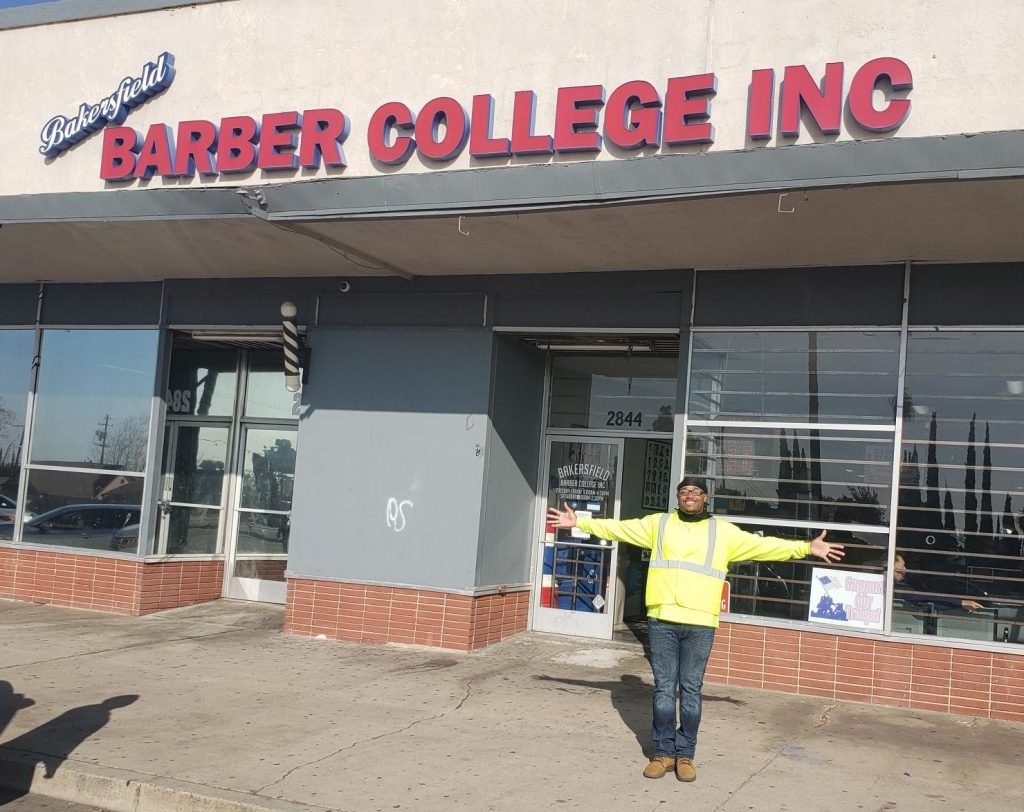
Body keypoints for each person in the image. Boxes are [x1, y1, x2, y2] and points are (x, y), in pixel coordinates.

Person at [546, 476, 845, 783]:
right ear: (678, 497)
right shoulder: (659, 524)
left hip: (701, 623)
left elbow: (763, 546)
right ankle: (662, 753)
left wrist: (806, 547)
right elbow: (619, 527)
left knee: (690, 691)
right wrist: (581, 522)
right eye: (684, 491)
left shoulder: (722, 532)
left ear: (705, 498)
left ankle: (685, 754)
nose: (689, 495)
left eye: (695, 492)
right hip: (662, 620)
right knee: (664, 690)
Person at [893, 554, 984, 611]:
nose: (905, 569)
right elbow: (928, 598)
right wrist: (961, 603)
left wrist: (959, 605)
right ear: (894, 568)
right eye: (903, 566)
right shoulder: (896, 589)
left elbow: (933, 602)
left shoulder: (900, 585)